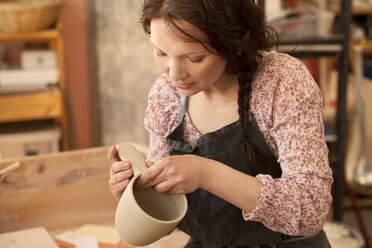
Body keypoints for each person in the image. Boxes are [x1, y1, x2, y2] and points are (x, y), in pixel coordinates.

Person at [108, 0, 333, 247]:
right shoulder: (166, 95)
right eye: (161, 53)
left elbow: (311, 210)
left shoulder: (281, 82)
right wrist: (139, 196)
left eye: (194, 58)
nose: (173, 74)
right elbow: (168, 221)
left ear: (232, 45)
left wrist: (204, 173)